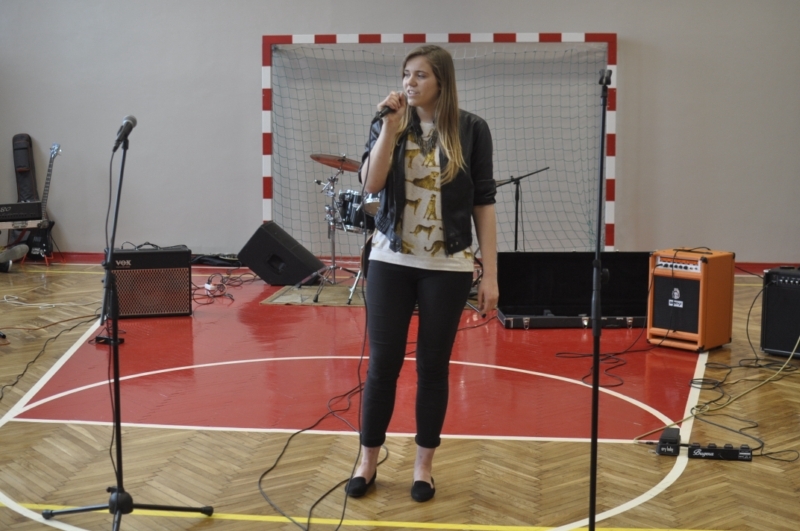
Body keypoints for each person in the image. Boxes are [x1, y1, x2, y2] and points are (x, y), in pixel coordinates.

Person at [347, 45, 498, 502]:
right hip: (390, 260)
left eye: (420, 75)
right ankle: (367, 461)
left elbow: (484, 204)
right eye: (406, 74)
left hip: (448, 265)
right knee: (382, 367)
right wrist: (388, 129)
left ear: (441, 82)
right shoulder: (389, 123)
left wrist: (491, 274)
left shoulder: (472, 129)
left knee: (433, 368)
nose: (409, 83)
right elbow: (370, 184)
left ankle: (423, 468)